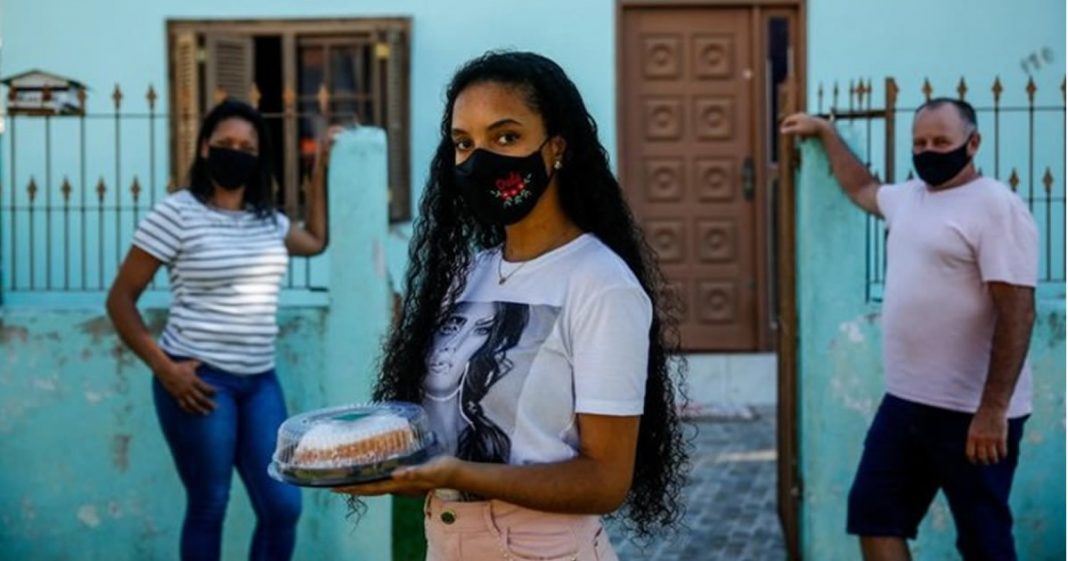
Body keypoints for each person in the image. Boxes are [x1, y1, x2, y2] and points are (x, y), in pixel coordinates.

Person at [335, 51, 688, 560]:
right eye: (464, 143)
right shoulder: (467, 274)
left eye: (505, 137)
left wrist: (461, 474)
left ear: (556, 148)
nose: (480, 159)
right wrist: (396, 468)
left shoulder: (600, 284)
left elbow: (606, 481)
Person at [781, 99, 1038, 561]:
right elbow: (860, 186)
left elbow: (1017, 311)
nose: (929, 151)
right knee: (874, 515)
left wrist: (993, 409)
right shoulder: (908, 198)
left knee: (983, 540)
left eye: (942, 141)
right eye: (920, 142)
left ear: (972, 143)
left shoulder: (996, 206)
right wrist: (824, 132)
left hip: (972, 413)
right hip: (906, 405)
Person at [107, 99, 337, 561]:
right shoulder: (176, 213)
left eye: (246, 146)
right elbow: (119, 300)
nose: (235, 152)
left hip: (259, 381)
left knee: (282, 504)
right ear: (205, 148)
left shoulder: (267, 221)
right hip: (198, 380)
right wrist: (165, 369)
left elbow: (314, 240)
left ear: (258, 157)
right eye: (225, 143)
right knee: (210, 504)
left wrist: (320, 167)